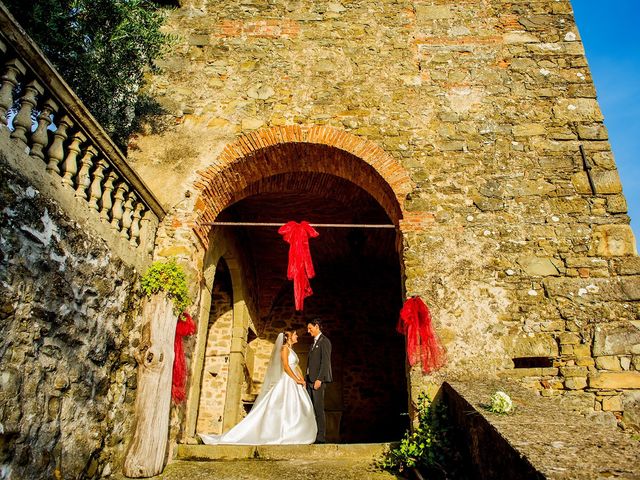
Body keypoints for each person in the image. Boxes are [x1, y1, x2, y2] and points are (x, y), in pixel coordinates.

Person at [199, 330, 317, 445]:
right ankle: (281, 434)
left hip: (295, 381)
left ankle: (295, 433)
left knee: (297, 407)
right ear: (289, 337)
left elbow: (295, 366)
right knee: (282, 407)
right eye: (295, 334)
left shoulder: (292, 350)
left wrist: (301, 379)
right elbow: (286, 366)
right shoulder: (284, 349)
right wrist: (295, 379)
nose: (297, 336)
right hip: (287, 380)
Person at [306, 319, 332, 444]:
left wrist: (319, 379)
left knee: (318, 408)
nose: (308, 331)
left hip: (317, 381)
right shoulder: (312, 345)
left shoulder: (325, 341)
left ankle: (321, 437)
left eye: (310, 328)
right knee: (311, 409)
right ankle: (311, 435)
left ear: (317, 326)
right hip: (309, 380)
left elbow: (325, 362)